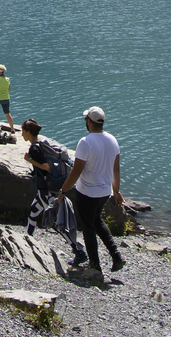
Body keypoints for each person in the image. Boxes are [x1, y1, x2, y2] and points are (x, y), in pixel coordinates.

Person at [57, 106, 124, 273]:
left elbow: (76, 171)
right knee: (97, 221)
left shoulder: (85, 142)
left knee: (88, 227)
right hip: (104, 193)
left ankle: (95, 264)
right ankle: (116, 256)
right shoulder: (112, 140)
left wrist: (63, 191)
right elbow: (116, 169)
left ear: (89, 122)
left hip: (87, 193)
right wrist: (116, 191)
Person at [22, 119, 88, 267]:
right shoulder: (41, 144)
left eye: (23, 132)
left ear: (29, 132)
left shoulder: (34, 149)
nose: (22, 134)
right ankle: (28, 241)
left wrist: (30, 160)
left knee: (58, 223)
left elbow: (45, 167)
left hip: (45, 190)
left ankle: (78, 251)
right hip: (45, 189)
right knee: (33, 212)